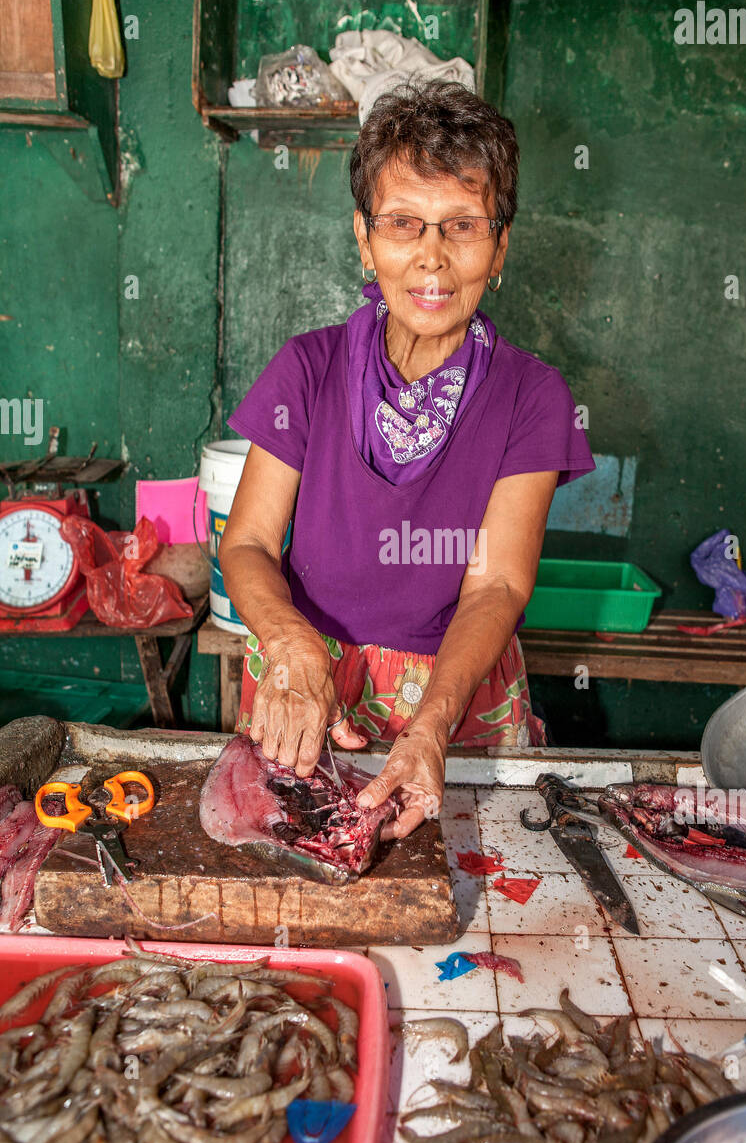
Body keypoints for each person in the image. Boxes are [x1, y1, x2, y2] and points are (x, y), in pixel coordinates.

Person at [219, 78, 595, 841]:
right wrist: (291, 647)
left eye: (461, 226)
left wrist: (429, 730)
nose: (431, 257)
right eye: (403, 224)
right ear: (364, 237)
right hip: (306, 676)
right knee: (288, 871)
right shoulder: (306, 368)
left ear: (500, 248)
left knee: (469, 891)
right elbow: (250, 543)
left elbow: (495, 583)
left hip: (455, 695)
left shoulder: (533, 395)